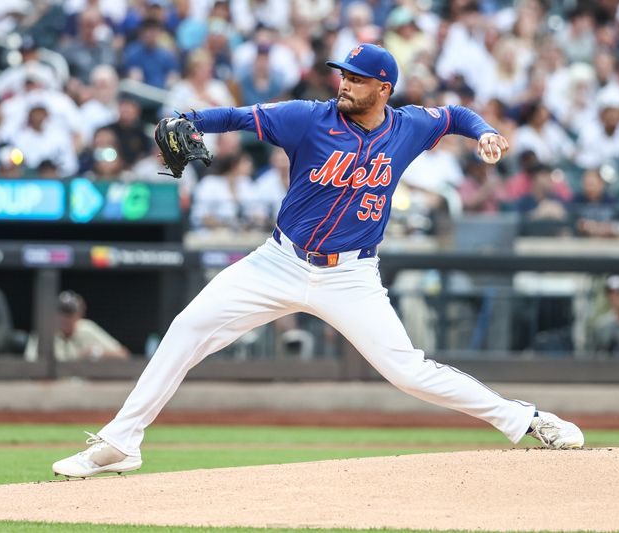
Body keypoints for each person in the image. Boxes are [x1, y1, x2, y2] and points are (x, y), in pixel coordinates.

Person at [52, 44, 584, 479]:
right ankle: (122, 442)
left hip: (351, 276)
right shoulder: (307, 118)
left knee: (408, 371)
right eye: (342, 76)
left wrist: (484, 132)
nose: (345, 84)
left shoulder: (409, 126)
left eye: (356, 78)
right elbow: (238, 116)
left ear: (383, 89)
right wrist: (189, 118)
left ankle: (529, 420)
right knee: (188, 328)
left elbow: (455, 115)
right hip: (277, 262)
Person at [24, 291, 129, 362]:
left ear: (79, 314)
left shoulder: (86, 329)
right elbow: (30, 366)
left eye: (69, 313)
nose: (63, 318)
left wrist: (96, 352)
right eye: (60, 312)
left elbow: (123, 355)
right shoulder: (44, 332)